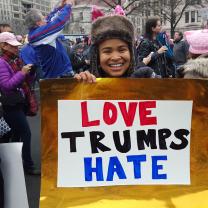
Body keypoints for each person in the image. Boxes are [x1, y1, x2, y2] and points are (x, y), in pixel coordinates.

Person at [0, 32, 39, 175]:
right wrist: (22, 73)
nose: (17, 49)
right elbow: (6, 85)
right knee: (25, 133)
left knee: (15, 134)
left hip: (19, 102)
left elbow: (25, 82)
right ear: (4, 46)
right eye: (13, 46)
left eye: (17, 47)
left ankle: (13, 164)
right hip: (11, 105)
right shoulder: (2, 63)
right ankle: (28, 165)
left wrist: (30, 73)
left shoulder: (15, 61)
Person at [74, 13, 155, 82]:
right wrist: (79, 86)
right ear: (97, 56)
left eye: (122, 50)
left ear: (131, 52)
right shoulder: (87, 81)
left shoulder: (146, 77)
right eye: (107, 51)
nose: (115, 57)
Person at [25, 0, 75, 79]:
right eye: (42, 18)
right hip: (58, 76)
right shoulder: (37, 35)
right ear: (38, 23)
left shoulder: (36, 32)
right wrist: (68, 5)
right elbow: (59, 22)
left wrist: (59, 8)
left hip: (58, 74)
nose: (45, 19)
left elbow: (50, 19)